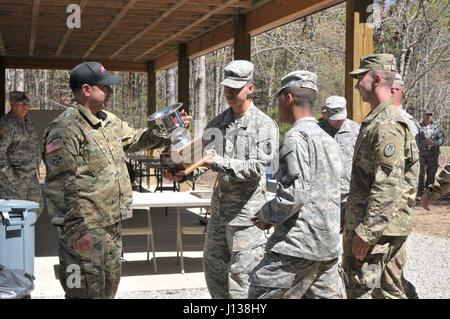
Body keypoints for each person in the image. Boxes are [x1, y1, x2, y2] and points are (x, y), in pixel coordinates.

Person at [41, 61, 191, 299]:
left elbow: (135, 139)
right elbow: (60, 185)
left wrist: (167, 129)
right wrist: (76, 230)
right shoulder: (66, 128)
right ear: (87, 90)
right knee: (83, 293)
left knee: (107, 291)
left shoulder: (108, 121)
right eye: (105, 87)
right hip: (85, 229)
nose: (111, 92)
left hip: (110, 227)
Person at [164, 60, 279, 299]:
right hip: (218, 216)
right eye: (226, 87)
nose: (229, 92)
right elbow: (198, 162)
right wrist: (179, 172)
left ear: (250, 88)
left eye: (235, 88)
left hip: (247, 219)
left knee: (243, 282)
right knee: (214, 275)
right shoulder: (218, 122)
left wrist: (218, 161)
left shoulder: (264, 125)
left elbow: (257, 168)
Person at [248, 71, 346, 299]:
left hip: (297, 247)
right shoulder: (329, 139)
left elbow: (295, 194)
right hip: (327, 248)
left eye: (279, 99)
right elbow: (339, 190)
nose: (279, 104)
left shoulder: (295, 138)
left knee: (259, 295)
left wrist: (266, 215)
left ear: (288, 98)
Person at [343, 54, 419, 299]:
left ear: (376, 78)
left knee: (374, 291)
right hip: (375, 229)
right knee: (378, 290)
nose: (356, 85)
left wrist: (367, 232)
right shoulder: (377, 120)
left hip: (378, 233)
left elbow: (388, 185)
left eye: (359, 78)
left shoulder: (386, 124)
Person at [390, 72, 420, 299]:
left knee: (391, 271)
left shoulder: (404, 121)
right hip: (386, 206)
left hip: (394, 207)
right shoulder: (383, 117)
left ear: (395, 90)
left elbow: (404, 171)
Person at [318, 95, 360, 230]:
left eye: (341, 117)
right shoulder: (317, 131)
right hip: (323, 197)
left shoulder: (356, 130)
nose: (339, 121)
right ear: (326, 114)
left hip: (349, 196)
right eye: (335, 118)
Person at [0, 91, 43, 216]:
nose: (25, 106)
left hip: (30, 176)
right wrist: (10, 175)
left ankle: (26, 234)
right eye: (21, 103)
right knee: (14, 214)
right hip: (13, 179)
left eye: (27, 103)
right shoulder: (6, 125)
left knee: (36, 207)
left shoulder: (28, 123)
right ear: (12, 104)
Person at [417, 110, 445, 197]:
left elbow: (441, 139)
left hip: (433, 154)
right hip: (421, 154)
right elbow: (415, 140)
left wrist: (434, 144)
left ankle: (428, 193)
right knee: (420, 173)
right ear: (423, 115)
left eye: (430, 115)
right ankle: (420, 192)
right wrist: (424, 142)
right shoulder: (418, 126)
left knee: (431, 173)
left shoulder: (437, 127)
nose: (429, 116)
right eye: (427, 114)